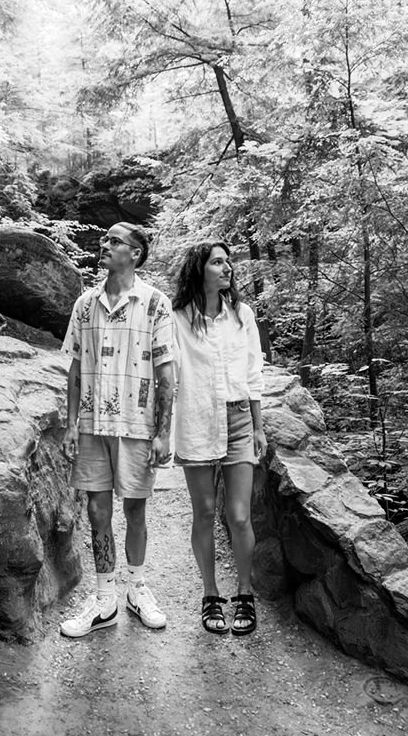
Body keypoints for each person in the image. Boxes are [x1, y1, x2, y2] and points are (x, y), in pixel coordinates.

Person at [59, 222, 177, 638]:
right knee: (96, 511)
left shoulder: (155, 304)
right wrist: (71, 424)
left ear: (136, 253)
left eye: (113, 242)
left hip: (136, 424)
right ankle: (104, 597)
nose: (104, 246)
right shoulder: (84, 304)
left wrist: (163, 433)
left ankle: (137, 589)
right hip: (92, 424)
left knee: (136, 510)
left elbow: (167, 374)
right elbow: (73, 368)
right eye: (105, 239)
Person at [171, 242, 266, 636]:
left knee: (239, 515)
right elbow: (166, 372)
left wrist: (259, 427)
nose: (227, 268)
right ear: (199, 270)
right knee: (205, 513)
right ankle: (211, 594)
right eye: (217, 262)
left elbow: (254, 372)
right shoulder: (177, 319)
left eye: (229, 262)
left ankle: (245, 594)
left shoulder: (242, 315)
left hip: (240, 419)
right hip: (196, 420)